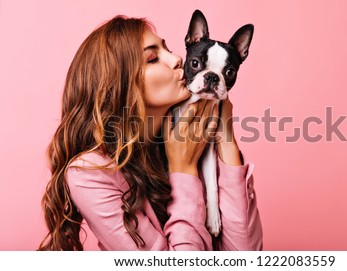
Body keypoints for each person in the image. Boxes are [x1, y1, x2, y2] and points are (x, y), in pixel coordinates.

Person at [38, 15, 263, 251]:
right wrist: (183, 169)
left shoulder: (194, 138)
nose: (177, 59)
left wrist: (226, 139)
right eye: (154, 58)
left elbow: (245, 257)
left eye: (167, 49)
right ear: (117, 83)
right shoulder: (91, 174)